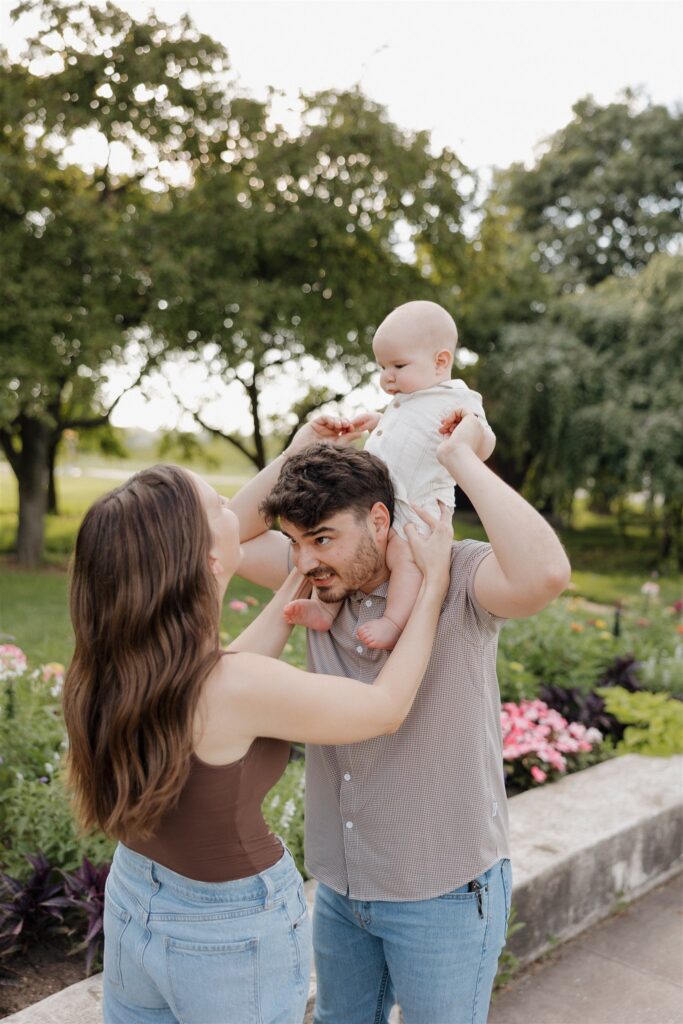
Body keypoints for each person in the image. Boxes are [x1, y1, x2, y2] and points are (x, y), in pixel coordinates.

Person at [61, 460, 452, 1024]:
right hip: (225, 929)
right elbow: (384, 709)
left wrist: (306, 562)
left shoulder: (115, 664)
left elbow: (230, 671)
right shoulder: (231, 687)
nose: (236, 507)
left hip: (136, 897)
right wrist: (434, 582)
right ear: (210, 560)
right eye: (219, 503)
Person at [233, 409, 571, 1024]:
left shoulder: (459, 571)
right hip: (341, 886)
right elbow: (225, 538)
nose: (305, 561)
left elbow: (546, 574)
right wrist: (299, 448)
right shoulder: (318, 575)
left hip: (441, 892)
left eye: (323, 538)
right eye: (296, 542)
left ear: (381, 518)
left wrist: (462, 460)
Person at [283, 299, 496, 650]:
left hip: (416, 509)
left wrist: (470, 431)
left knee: (405, 559)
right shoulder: (406, 400)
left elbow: (485, 443)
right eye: (382, 366)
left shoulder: (456, 398)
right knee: (347, 553)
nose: (387, 376)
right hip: (378, 501)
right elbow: (408, 438)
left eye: (398, 365)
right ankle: (325, 610)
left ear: (440, 362)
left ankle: (393, 622)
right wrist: (378, 422)